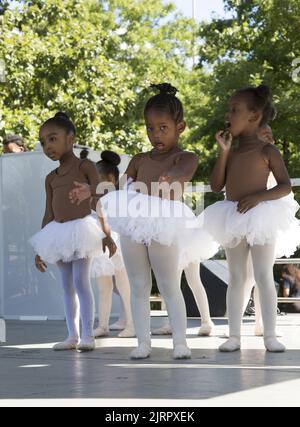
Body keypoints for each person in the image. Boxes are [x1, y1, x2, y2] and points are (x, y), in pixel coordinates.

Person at [69, 83, 218, 360]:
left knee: (169, 284)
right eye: (150, 128)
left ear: (180, 126)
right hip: (135, 223)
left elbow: (182, 172)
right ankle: (143, 342)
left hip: (164, 222)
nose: (155, 134)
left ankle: (180, 342)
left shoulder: (186, 156)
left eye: (163, 127)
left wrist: (171, 176)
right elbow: (121, 189)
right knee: (138, 285)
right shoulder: (138, 159)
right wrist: (92, 190)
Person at [204, 84, 300, 352]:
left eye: (235, 110)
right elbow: (215, 185)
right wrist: (223, 152)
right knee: (236, 276)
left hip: (261, 217)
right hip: (233, 215)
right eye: (229, 109)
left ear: (254, 116)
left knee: (262, 274)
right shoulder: (231, 151)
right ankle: (234, 335)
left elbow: (284, 186)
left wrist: (258, 197)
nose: (228, 114)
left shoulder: (268, 151)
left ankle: (270, 334)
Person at [29, 112, 116, 352]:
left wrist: (106, 232)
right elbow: (49, 213)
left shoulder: (84, 165)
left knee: (80, 280)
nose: (48, 146)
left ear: (70, 139)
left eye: (53, 139)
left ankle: (88, 334)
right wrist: (41, 248)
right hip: (58, 233)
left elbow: (100, 197)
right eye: (43, 141)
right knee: (67, 285)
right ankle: (72, 335)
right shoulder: (50, 178)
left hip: (82, 230)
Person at [91, 150, 135, 338]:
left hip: (116, 241)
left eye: (97, 178)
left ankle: (132, 324)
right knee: (104, 286)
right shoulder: (94, 198)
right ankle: (103, 325)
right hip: (99, 242)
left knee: (124, 284)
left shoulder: (118, 198)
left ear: (111, 179)